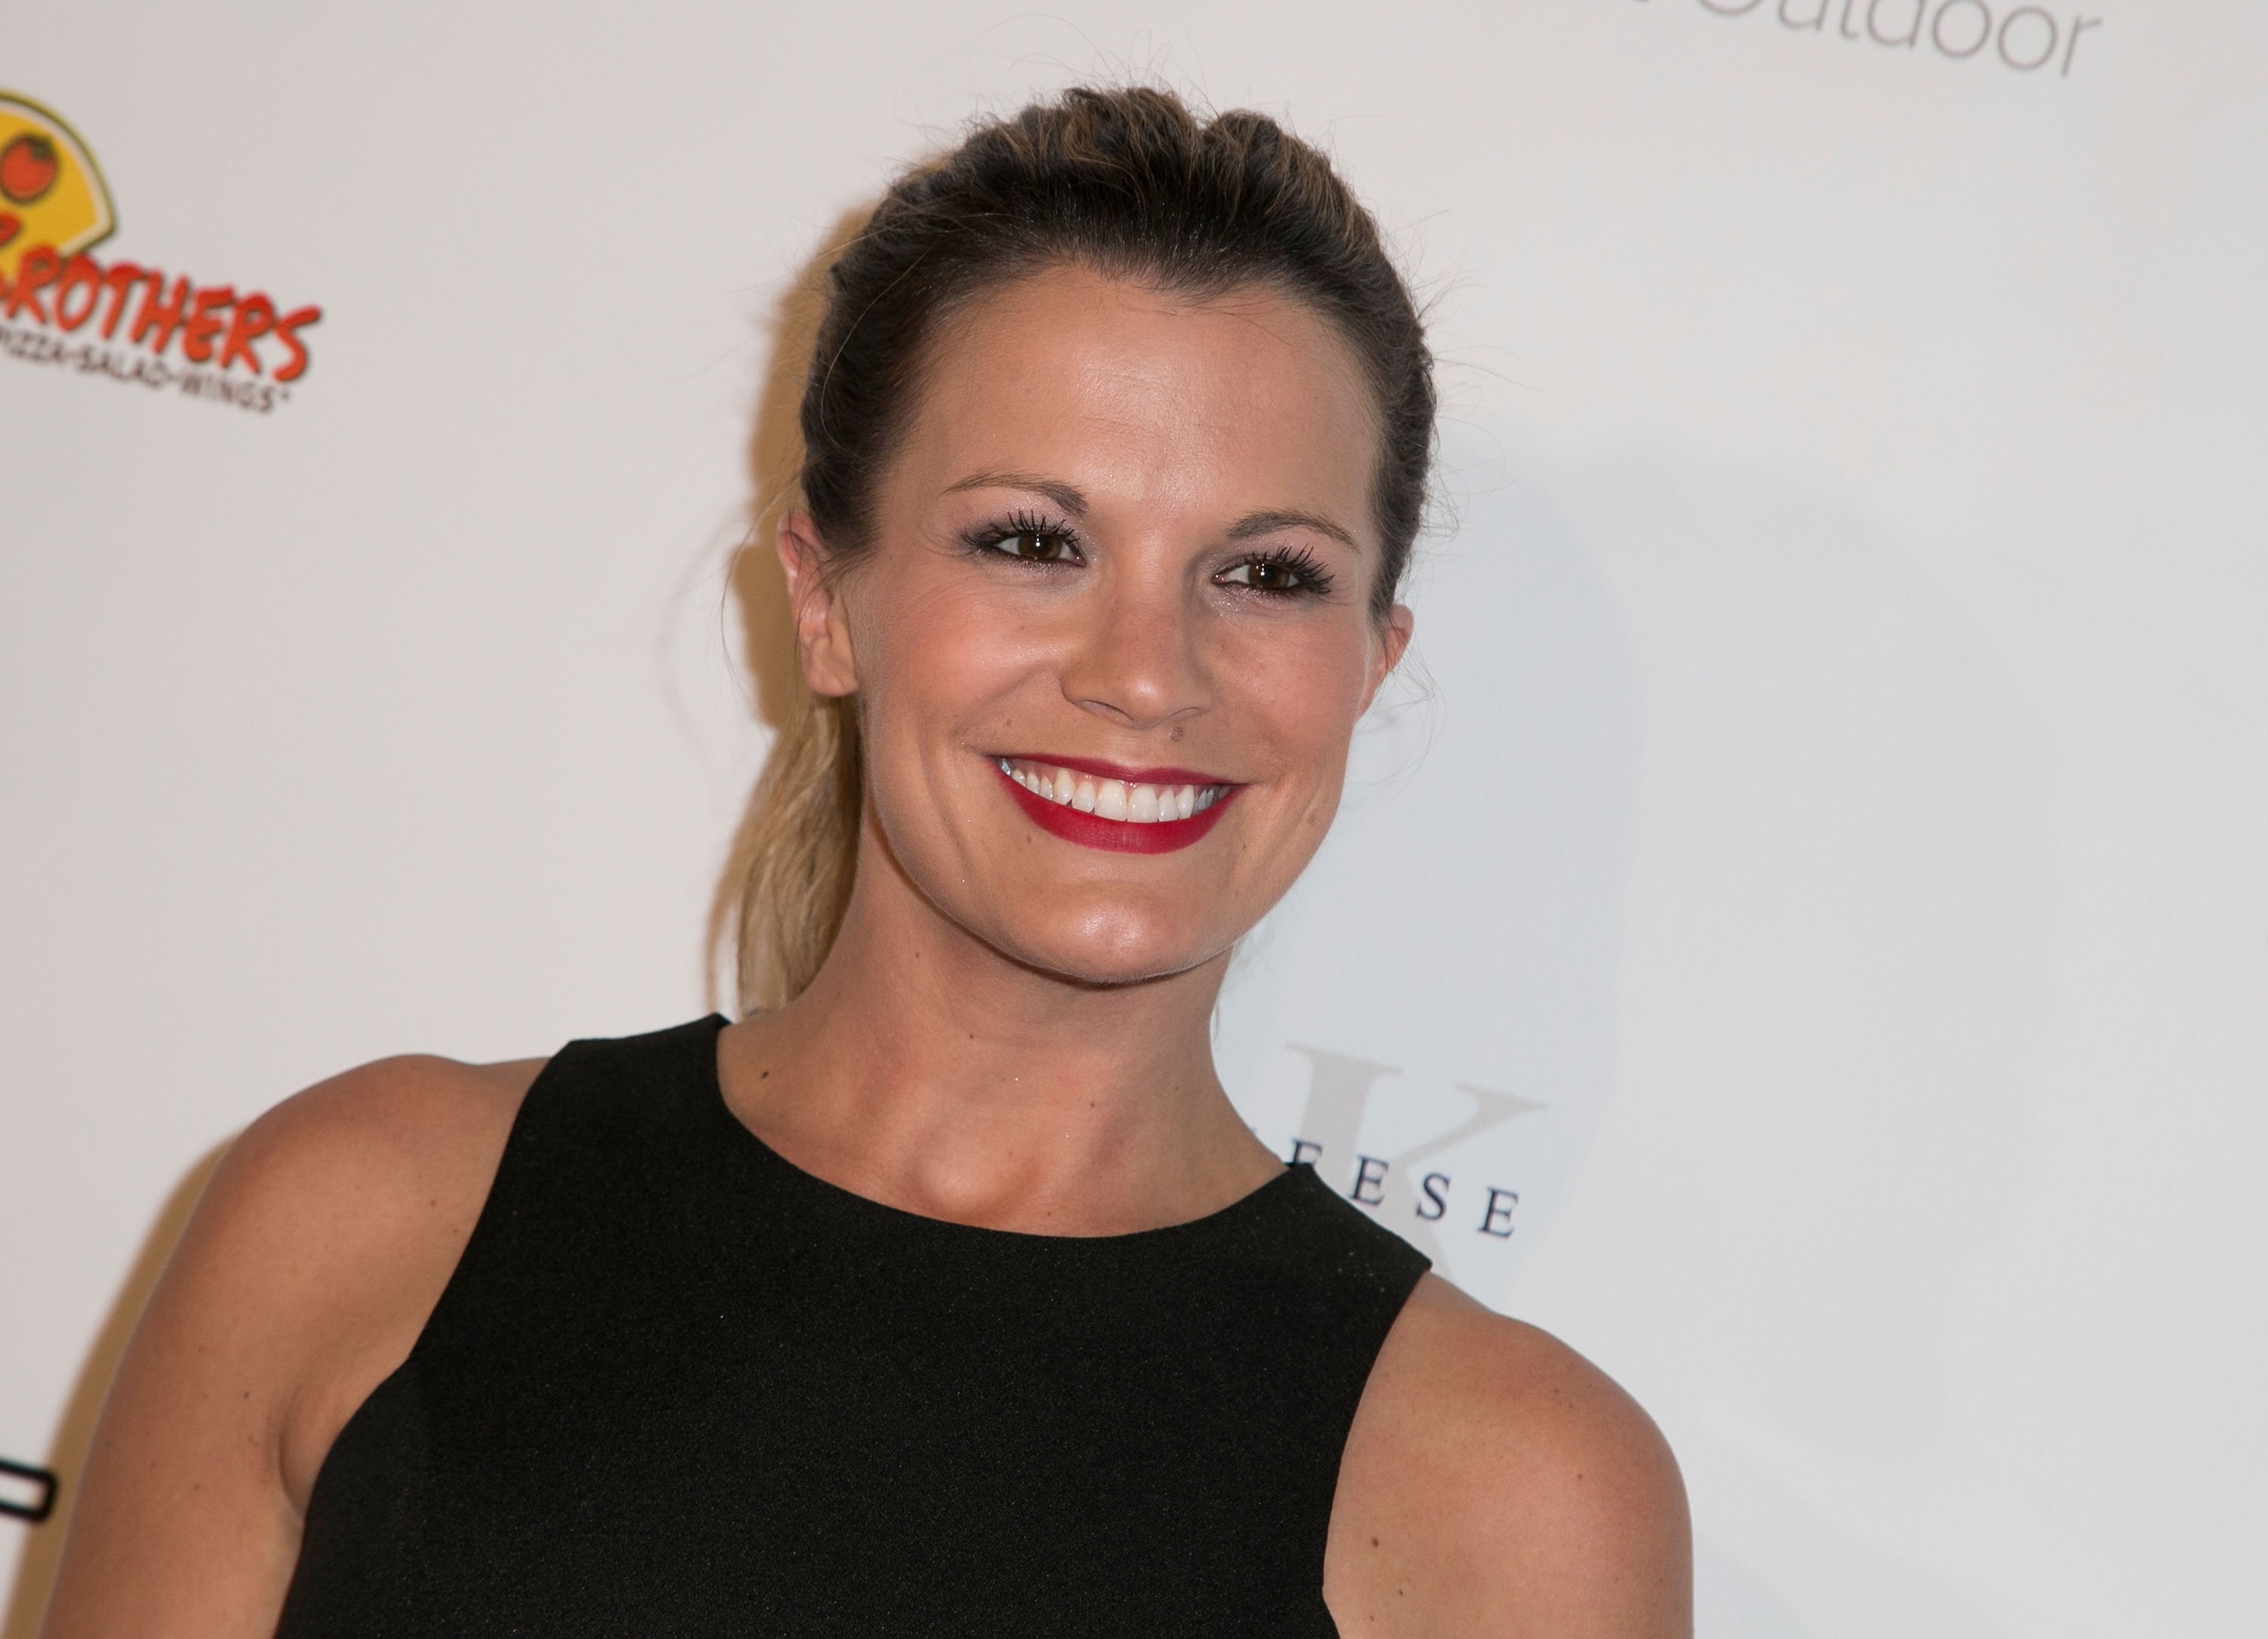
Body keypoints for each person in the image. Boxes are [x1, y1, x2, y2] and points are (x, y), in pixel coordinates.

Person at [36, 87, 1690, 1637]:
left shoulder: (1514, 1492)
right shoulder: (363, 1214)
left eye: (1265, 573)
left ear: (1373, 661)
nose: (1146, 671)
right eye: (1032, 543)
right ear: (827, 598)